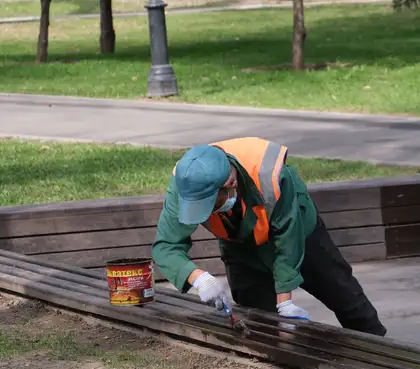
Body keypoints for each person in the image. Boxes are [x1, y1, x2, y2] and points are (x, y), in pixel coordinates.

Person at [150, 136, 387, 337]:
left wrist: (285, 302)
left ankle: (382, 351)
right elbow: (166, 246)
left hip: (300, 234)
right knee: (259, 323)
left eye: (210, 205)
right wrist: (199, 278)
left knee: (347, 300)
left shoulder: (271, 175)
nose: (205, 213)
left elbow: (288, 239)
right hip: (240, 243)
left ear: (230, 183)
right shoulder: (187, 184)